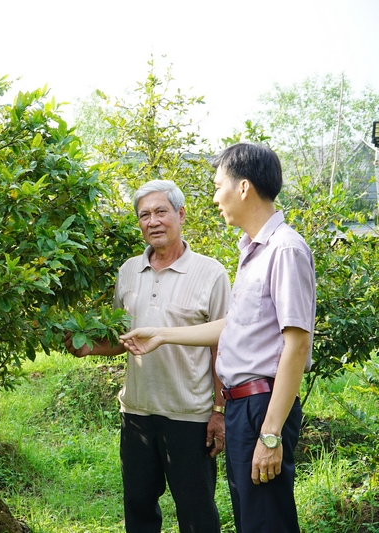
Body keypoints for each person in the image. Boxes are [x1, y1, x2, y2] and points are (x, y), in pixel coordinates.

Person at [120, 143, 316, 533]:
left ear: (243, 187)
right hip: (244, 404)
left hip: (262, 403)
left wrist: (271, 434)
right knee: (251, 516)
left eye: (218, 185)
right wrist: (161, 334)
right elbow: (233, 327)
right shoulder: (253, 252)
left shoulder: (285, 249)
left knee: (265, 521)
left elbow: (297, 345)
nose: (215, 197)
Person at [64, 179, 230, 533]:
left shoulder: (211, 272)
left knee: (196, 511)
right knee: (138, 508)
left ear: (181, 214)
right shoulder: (128, 271)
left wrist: (219, 412)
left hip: (190, 416)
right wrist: (88, 347)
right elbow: (121, 338)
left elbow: (222, 345)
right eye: (144, 215)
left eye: (160, 212)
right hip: (137, 412)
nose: (152, 221)